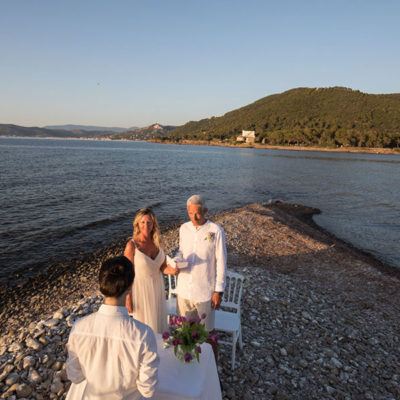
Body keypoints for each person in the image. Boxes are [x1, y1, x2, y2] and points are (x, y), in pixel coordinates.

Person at [66, 256, 159, 400]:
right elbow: (147, 390)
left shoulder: (79, 328)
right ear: (130, 286)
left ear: (101, 285)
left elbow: (75, 377)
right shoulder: (143, 335)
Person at [176, 195, 227, 358]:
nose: (194, 217)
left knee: (208, 334)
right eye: (190, 213)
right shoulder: (183, 228)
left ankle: (214, 371)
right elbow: (181, 252)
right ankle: (189, 362)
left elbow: (221, 262)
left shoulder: (216, 231)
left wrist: (218, 291)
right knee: (186, 330)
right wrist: (177, 261)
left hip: (205, 291)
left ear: (205, 210)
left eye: (197, 213)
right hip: (184, 290)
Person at [124, 208, 178, 334]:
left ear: (153, 224)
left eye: (149, 222)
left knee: (158, 324)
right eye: (142, 222)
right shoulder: (132, 245)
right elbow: (127, 275)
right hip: (141, 291)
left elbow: (162, 267)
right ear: (137, 223)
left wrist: (173, 270)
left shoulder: (157, 242)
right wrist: (128, 299)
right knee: (143, 329)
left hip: (157, 288)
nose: (146, 225)